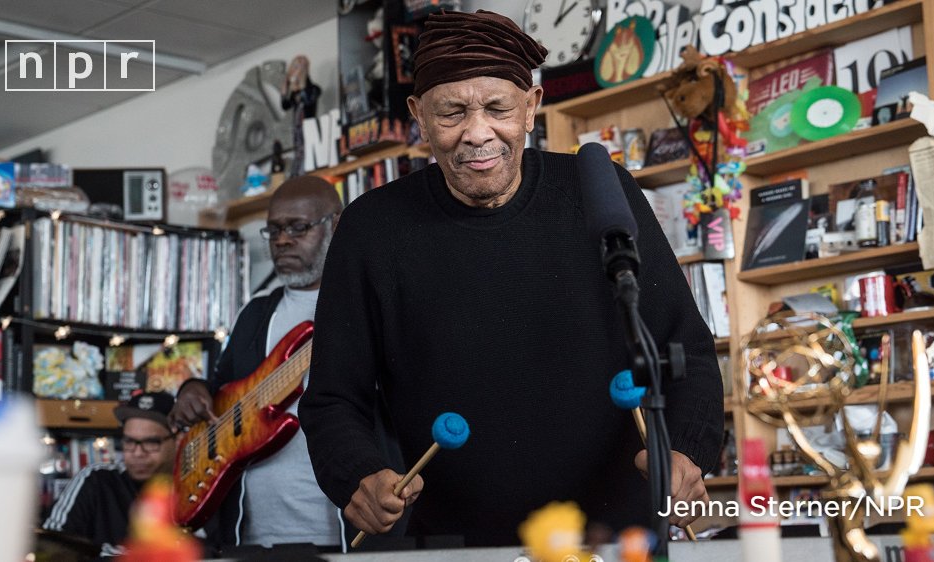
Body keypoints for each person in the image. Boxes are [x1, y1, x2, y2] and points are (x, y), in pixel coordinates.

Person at [299, 9, 724, 547]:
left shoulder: (597, 192)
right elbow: (333, 396)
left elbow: (686, 349)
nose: (478, 133)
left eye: (498, 108)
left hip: (615, 537)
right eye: (451, 113)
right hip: (455, 545)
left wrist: (686, 449)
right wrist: (356, 473)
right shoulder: (372, 228)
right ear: (419, 115)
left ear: (531, 107)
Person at [168, 176, 347, 551]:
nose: (282, 240)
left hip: (342, 532)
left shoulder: (366, 306)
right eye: (274, 229)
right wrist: (191, 389)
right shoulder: (255, 313)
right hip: (249, 535)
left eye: (298, 227)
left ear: (336, 224)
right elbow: (220, 388)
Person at [42, 392, 177, 557]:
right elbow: (52, 545)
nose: (137, 453)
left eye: (151, 442)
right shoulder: (96, 479)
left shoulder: (194, 491)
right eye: (129, 441)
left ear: (177, 440)